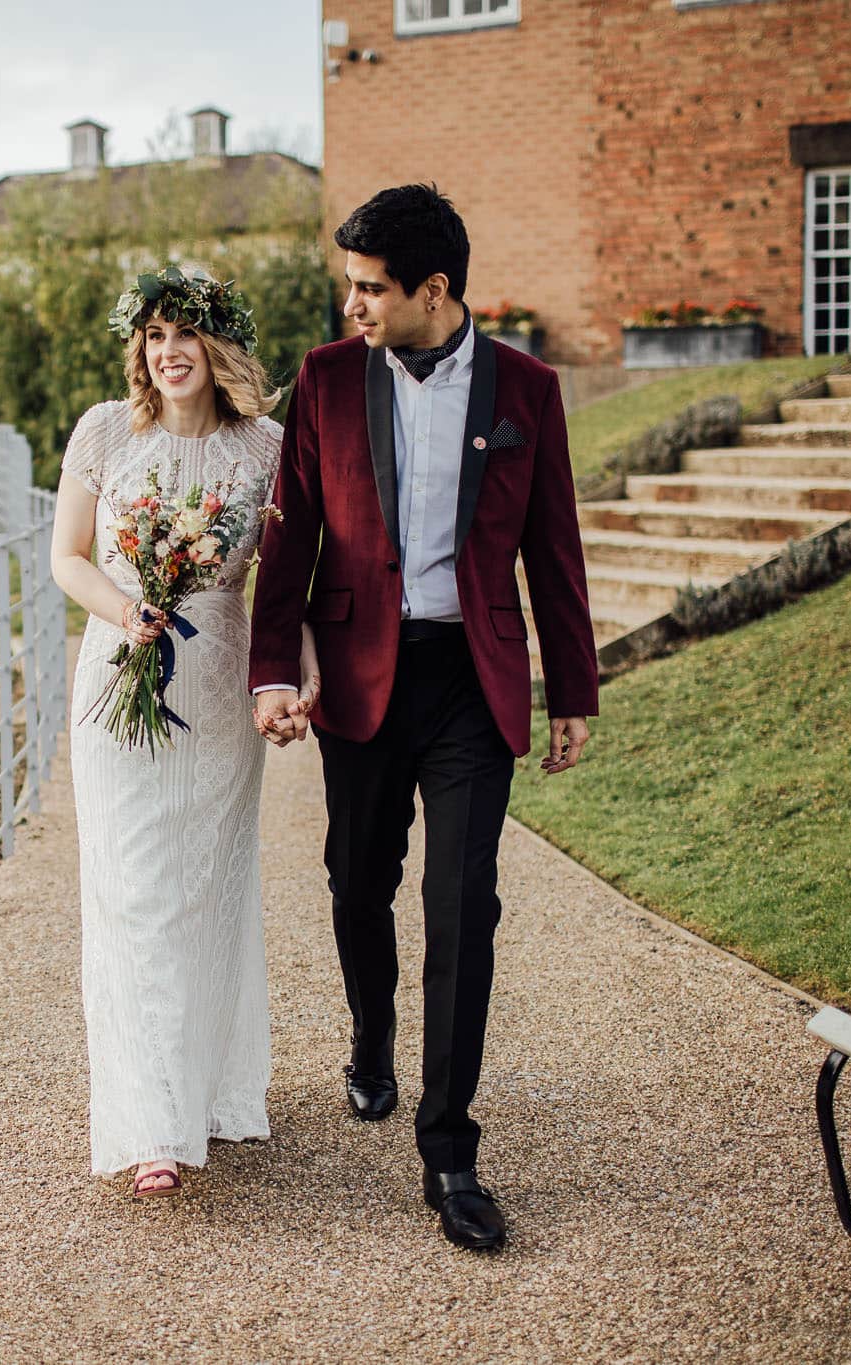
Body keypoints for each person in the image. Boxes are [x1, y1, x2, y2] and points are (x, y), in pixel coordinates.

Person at [249, 185, 598, 1251]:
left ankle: (449, 1152)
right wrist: (271, 669)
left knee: (461, 906)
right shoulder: (323, 378)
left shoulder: (525, 389)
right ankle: (369, 1038)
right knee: (356, 881)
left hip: (469, 680)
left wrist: (571, 691)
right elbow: (288, 536)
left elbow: (554, 546)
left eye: (367, 289)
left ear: (431, 291)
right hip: (356, 674)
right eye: (346, 284)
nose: (349, 304)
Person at [50, 267, 319, 1198]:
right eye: (155, 335)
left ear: (220, 346)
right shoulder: (102, 433)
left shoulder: (270, 448)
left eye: (186, 334)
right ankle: (147, 1122)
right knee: (132, 889)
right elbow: (67, 558)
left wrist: (296, 675)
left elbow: (295, 577)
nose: (169, 351)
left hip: (216, 680)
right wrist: (128, 610)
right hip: (118, 670)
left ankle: (204, 1088)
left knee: (207, 881)